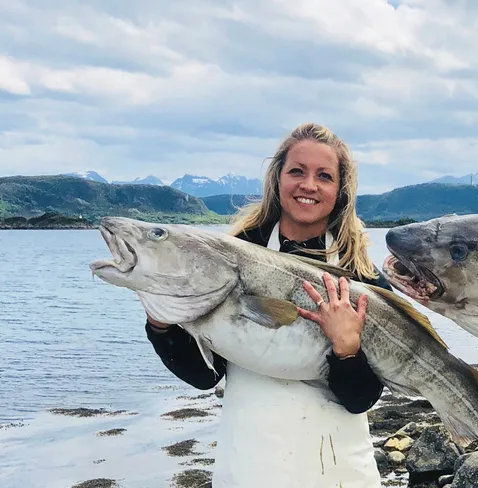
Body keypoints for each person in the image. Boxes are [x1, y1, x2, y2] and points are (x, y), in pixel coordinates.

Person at [143, 122, 390, 488]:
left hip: (338, 467)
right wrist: (161, 326)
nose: (308, 185)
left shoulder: (360, 277)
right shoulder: (229, 257)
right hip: (251, 463)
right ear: (277, 179)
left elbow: (361, 399)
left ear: (340, 191)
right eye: (297, 171)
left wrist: (347, 350)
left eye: (324, 176)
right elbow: (205, 375)